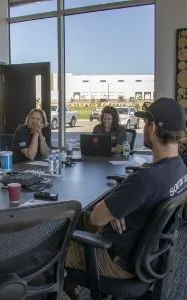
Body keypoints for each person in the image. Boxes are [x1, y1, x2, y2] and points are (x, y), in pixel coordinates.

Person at [63, 98, 187, 300]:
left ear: (153, 128)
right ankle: (72, 289)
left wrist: (110, 209)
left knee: (51, 250)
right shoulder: (179, 169)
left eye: (145, 123)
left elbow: (96, 218)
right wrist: (119, 207)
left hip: (118, 260)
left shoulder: (146, 179)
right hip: (148, 256)